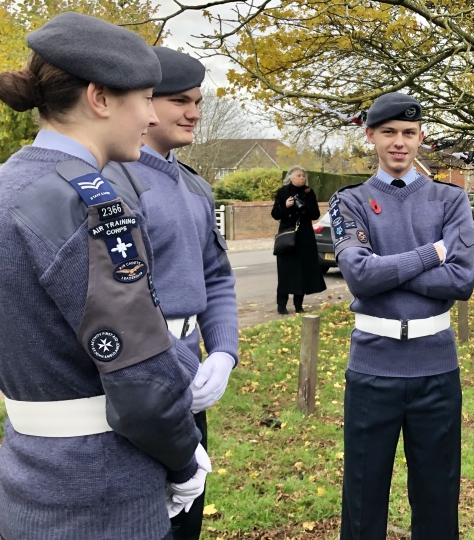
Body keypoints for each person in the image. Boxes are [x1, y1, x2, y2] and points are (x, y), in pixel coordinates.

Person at [0, 12, 206, 540]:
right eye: (145, 97)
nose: (149, 116)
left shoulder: (7, 186)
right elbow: (141, 383)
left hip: (26, 478)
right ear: (99, 98)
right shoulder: (90, 203)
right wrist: (185, 462)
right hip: (104, 495)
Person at [102, 47, 238, 539]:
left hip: (191, 376)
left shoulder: (196, 189)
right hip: (139, 383)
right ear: (143, 103)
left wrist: (222, 352)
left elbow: (217, 277)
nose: (194, 113)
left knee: (187, 524)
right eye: (179, 100)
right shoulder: (110, 183)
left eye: (197, 101)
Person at [330, 92, 474, 540]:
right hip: (373, 368)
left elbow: (461, 281)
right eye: (389, 133)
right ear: (370, 135)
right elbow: (357, 275)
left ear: (421, 138)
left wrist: (386, 269)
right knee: (362, 497)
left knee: (437, 498)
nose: (399, 143)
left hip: (436, 367)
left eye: (409, 134)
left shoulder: (450, 200)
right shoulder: (350, 200)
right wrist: (429, 255)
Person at [270, 166, 326, 314]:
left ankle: (298, 305)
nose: (302, 178)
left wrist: (305, 207)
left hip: (304, 237)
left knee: (302, 272)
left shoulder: (308, 192)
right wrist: (286, 206)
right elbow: (275, 214)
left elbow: (315, 214)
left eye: (303, 176)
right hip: (288, 237)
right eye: (299, 175)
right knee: (286, 272)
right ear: (291, 178)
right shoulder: (283, 192)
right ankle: (281, 305)